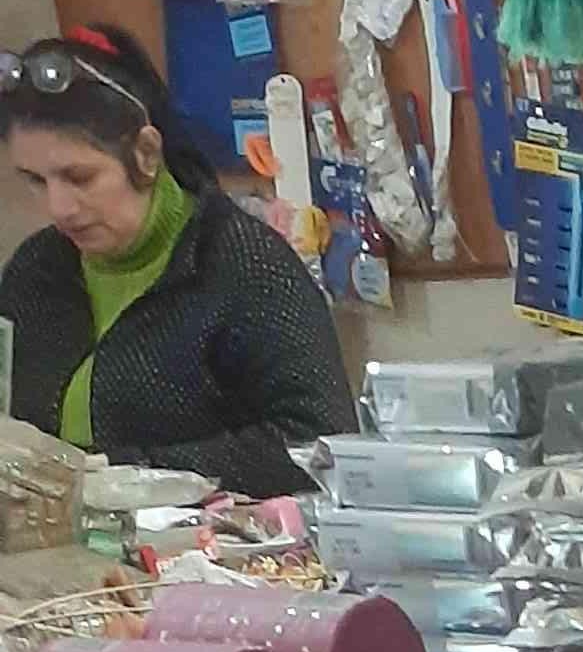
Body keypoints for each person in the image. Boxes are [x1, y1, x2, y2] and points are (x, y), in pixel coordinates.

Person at [1, 26, 353, 493]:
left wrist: (130, 471)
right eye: (36, 181)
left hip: (211, 537)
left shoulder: (246, 266)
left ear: (146, 153)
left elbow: (321, 444)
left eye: (79, 177)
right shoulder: (35, 270)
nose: (59, 208)